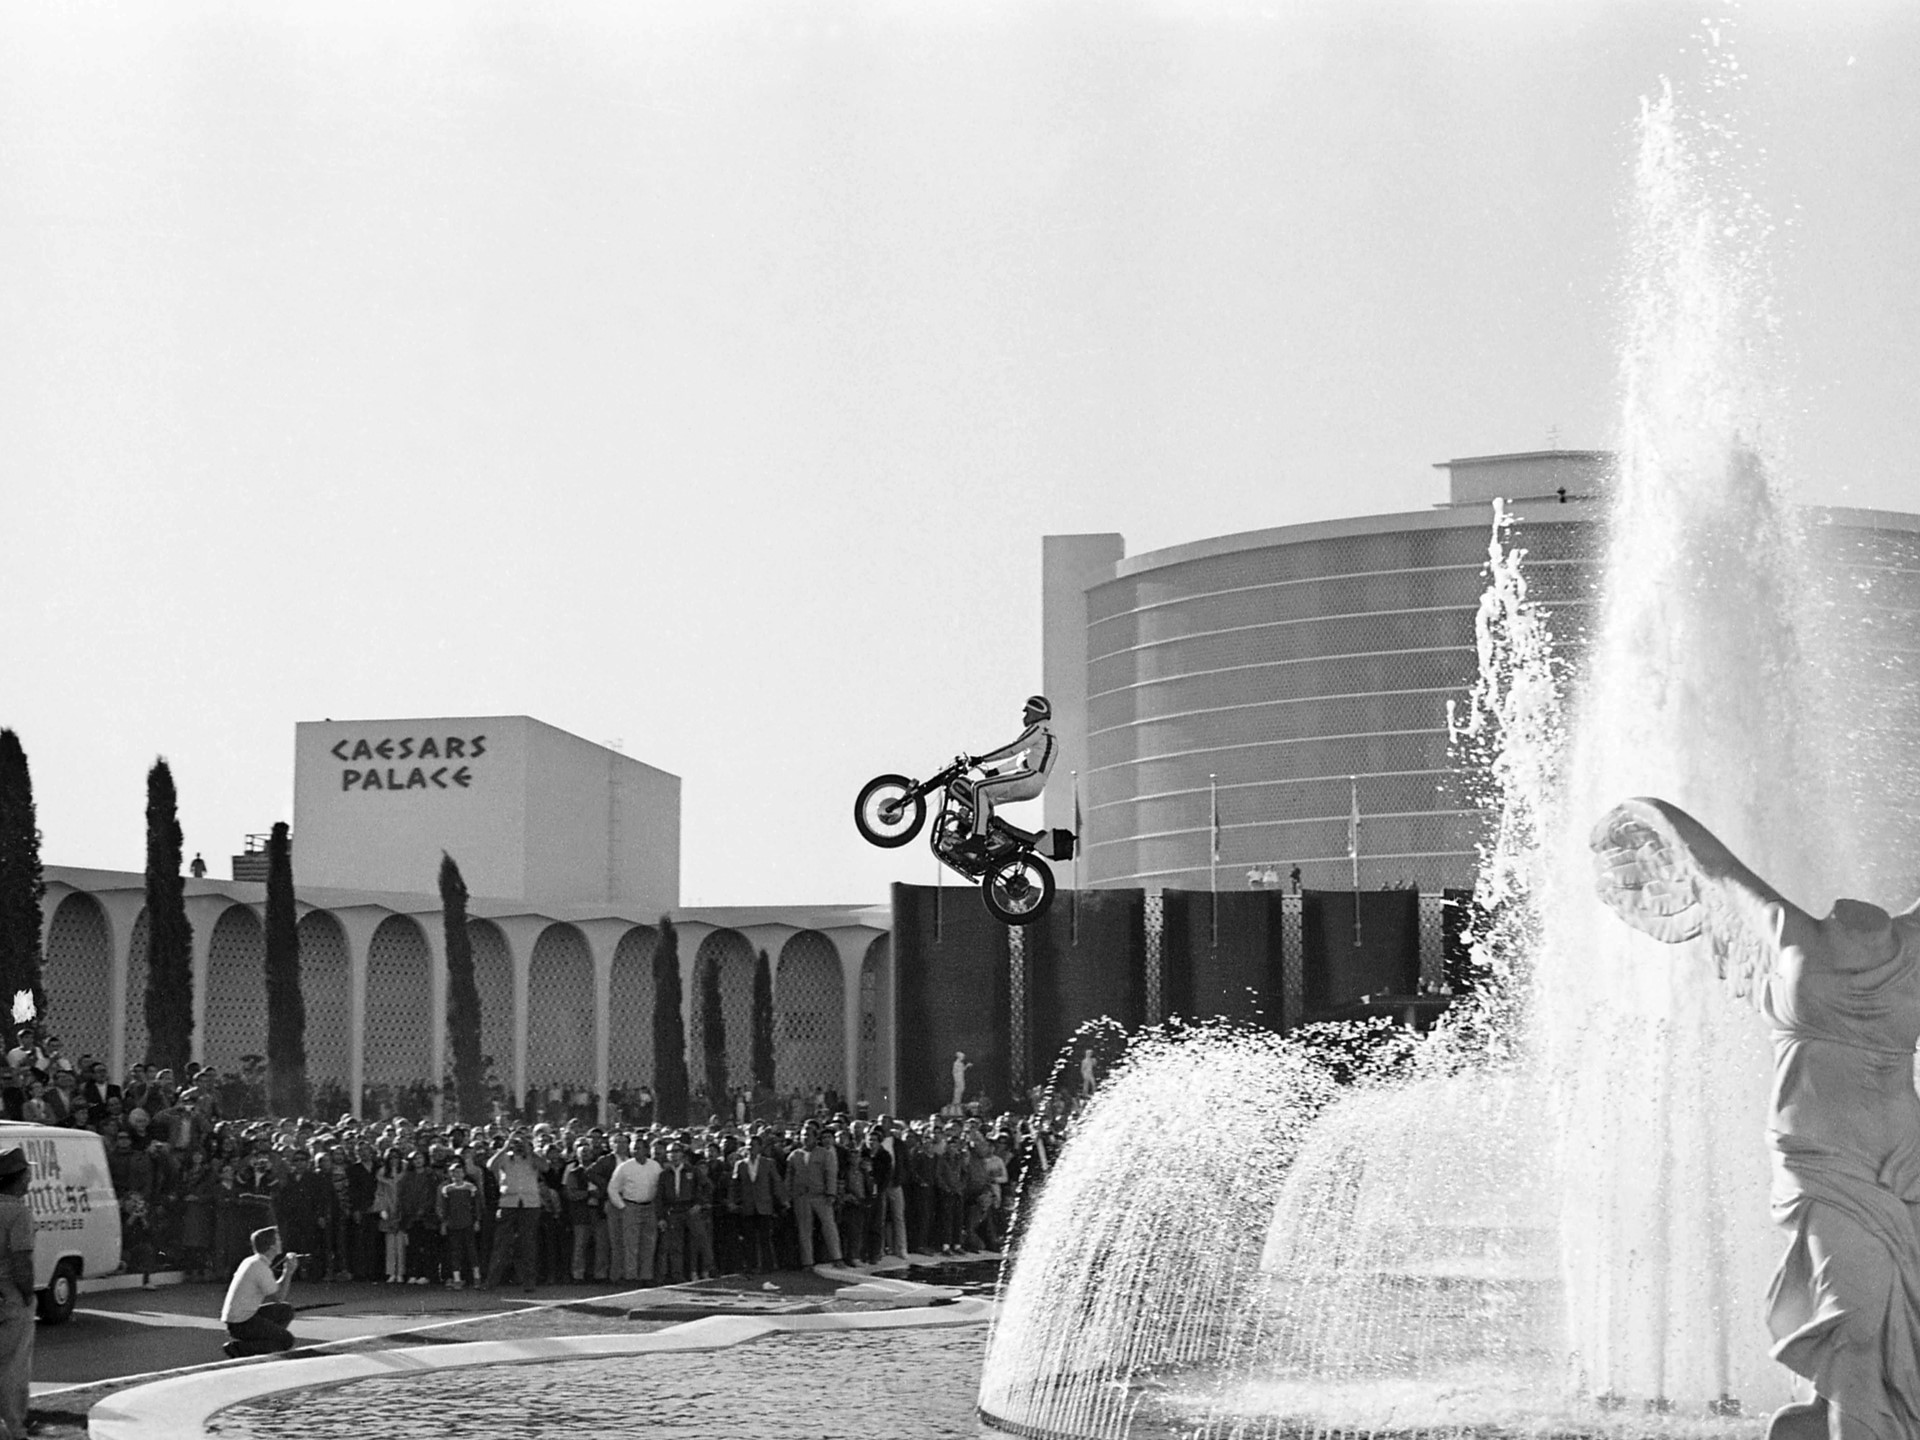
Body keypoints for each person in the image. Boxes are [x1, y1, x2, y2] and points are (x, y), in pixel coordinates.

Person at [1591, 797, 1920, 1440]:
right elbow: (1711, 865)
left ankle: (1847, 1416)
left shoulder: (1908, 946)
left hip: (1903, 1155)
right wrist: (1651, 814)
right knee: (1853, 1310)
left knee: (1899, 1311)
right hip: (1821, 1157)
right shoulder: (1787, 932)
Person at [956, 694, 1058, 853]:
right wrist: (995, 771)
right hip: (1033, 782)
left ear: (1037, 711)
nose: (1025, 716)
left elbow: (1013, 748)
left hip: (1030, 777)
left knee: (978, 788)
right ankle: (971, 835)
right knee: (984, 801)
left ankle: (977, 839)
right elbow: (1020, 758)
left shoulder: (1039, 728)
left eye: (1027, 712)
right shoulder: (1045, 734)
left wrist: (982, 759)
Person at [221, 1225, 299, 1358]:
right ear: (272, 1246)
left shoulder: (252, 1261)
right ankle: (240, 1348)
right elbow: (279, 1296)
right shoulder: (260, 1267)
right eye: (278, 1240)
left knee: (285, 1310)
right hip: (242, 1323)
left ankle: (263, 1341)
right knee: (287, 1341)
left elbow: (274, 1290)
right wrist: (288, 1272)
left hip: (237, 1320)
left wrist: (286, 1272)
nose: (281, 1242)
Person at [0, 1148, 34, 1440]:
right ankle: (13, 1428)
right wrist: (27, 1294)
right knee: (13, 1366)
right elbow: (21, 1261)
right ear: (17, 1178)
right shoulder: (18, 1212)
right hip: (10, 1293)